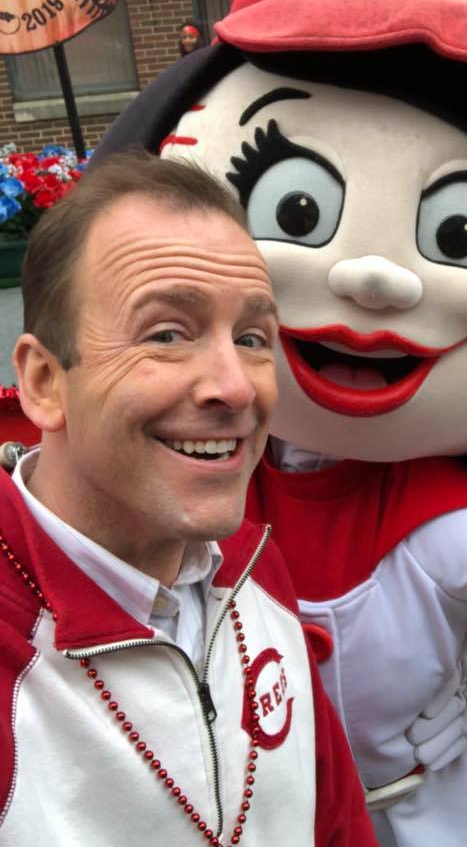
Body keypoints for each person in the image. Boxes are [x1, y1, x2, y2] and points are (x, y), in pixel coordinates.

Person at [9, 0, 467, 845]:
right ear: (45, 372)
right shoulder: (188, 508)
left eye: (251, 334)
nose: (373, 280)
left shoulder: (356, 527)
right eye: (294, 209)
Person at [0, 151, 377, 846]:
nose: (236, 387)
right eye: (168, 334)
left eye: (252, 337)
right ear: (46, 382)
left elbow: (335, 817)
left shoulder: (252, 561)